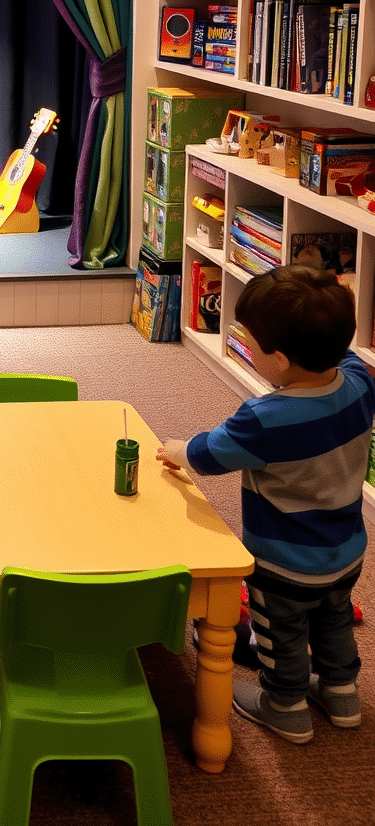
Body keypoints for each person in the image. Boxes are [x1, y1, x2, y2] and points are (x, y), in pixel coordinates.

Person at [158, 264, 375, 744]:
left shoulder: (266, 418)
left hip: (283, 562)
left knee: (280, 632)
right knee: (334, 618)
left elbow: (209, 455)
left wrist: (176, 449)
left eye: (249, 343)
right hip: (347, 551)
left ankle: (285, 704)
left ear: (276, 359)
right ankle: (342, 695)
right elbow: (354, 356)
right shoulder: (360, 382)